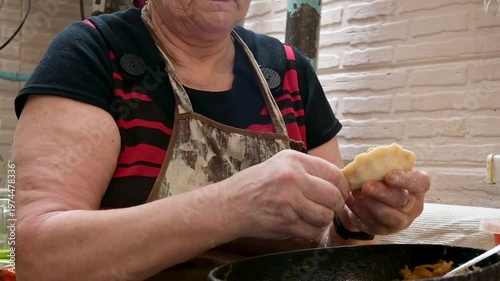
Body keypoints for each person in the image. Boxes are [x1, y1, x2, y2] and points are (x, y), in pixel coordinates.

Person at [12, 0, 430, 280]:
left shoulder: (288, 71)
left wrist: (355, 222)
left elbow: (324, 246)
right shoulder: (94, 53)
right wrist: (232, 205)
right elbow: (33, 253)